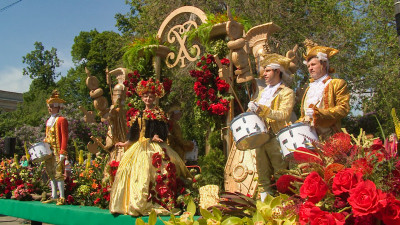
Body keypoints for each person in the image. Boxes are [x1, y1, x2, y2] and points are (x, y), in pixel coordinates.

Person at [109, 79, 191, 216]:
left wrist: (157, 137)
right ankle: (130, 203)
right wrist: (126, 143)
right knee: (130, 169)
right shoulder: (139, 114)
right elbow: (134, 133)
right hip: (140, 146)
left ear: (155, 98)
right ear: (142, 97)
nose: (148, 98)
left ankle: (157, 200)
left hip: (155, 146)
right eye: (146, 96)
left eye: (151, 96)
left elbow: (163, 131)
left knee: (157, 170)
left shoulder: (159, 114)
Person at [247, 53, 295, 201]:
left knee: (281, 175)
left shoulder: (287, 92)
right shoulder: (262, 93)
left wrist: (263, 110)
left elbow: (284, 114)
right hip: (260, 138)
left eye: (267, 70)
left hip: (277, 137)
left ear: (277, 71)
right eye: (264, 70)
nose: (264, 74)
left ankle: (285, 208)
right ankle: (264, 209)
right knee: (262, 177)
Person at [298, 39, 350, 140]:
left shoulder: (337, 84)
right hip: (311, 139)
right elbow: (303, 116)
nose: (310, 68)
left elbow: (343, 109)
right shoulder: (308, 89)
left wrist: (319, 113)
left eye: (313, 64)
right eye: (308, 66)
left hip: (331, 138)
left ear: (324, 64)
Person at [42, 90, 68, 205]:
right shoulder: (48, 121)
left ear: (57, 107)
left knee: (58, 173)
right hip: (49, 151)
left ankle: (62, 196)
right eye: (50, 106)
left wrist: (63, 151)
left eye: (52, 106)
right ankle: (53, 195)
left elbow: (64, 136)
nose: (50, 108)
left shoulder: (61, 120)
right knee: (51, 173)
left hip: (57, 151)